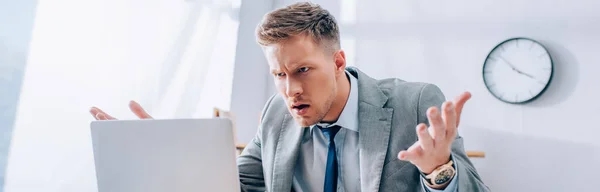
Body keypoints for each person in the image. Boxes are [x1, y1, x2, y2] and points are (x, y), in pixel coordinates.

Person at [90, 2, 489, 192]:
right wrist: (167, 156)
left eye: (302, 70)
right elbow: (237, 186)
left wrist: (438, 171)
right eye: (278, 74)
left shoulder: (413, 103)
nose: (290, 89)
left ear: (338, 61)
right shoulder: (277, 114)